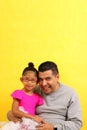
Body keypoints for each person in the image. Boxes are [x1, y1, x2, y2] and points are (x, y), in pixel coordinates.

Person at [7, 61, 83, 130]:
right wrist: (11, 116)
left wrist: (53, 127)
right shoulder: (34, 90)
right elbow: (14, 110)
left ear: (57, 77)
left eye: (48, 79)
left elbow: (77, 123)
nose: (43, 84)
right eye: (40, 79)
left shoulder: (70, 93)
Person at [2, 62, 45, 130]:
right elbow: (15, 111)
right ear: (22, 79)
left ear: (37, 82)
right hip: (18, 122)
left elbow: (38, 111)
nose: (29, 83)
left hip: (30, 123)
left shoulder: (38, 97)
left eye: (33, 80)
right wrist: (32, 117)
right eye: (26, 79)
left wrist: (35, 118)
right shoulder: (18, 93)